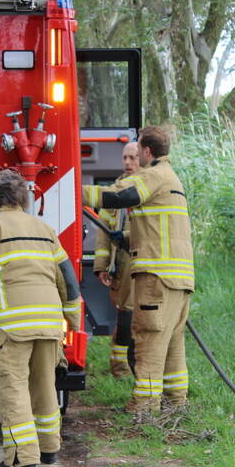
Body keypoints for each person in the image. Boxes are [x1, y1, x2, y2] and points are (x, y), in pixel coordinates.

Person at [0, 170, 81, 467]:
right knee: (44, 384)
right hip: (50, 323)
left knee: (12, 387)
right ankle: (49, 448)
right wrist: (72, 317)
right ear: (22, 198)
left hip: (13, 326)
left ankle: (21, 457)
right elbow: (67, 278)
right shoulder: (45, 229)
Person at [81, 126, 193, 418]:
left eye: (137, 151)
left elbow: (123, 195)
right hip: (178, 278)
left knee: (148, 340)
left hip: (157, 276)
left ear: (146, 151)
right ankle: (176, 404)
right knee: (172, 345)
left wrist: (73, 191)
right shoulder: (171, 177)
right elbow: (162, 229)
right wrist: (128, 240)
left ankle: (143, 409)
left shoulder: (152, 175)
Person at [92, 140, 139, 377]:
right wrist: (102, 265)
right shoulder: (115, 190)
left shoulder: (147, 188)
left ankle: (134, 366)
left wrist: (127, 236)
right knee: (124, 314)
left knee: (135, 317)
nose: (128, 162)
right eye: (124, 158)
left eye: (133, 157)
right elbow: (103, 231)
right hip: (120, 264)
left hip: (142, 263)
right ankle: (120, 369)